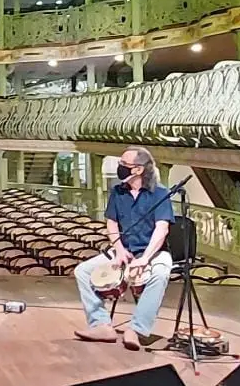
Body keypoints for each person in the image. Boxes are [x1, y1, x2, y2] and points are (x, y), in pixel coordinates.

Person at [73, 146, 175, 350]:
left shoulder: (160, 193)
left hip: (152, 252)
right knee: (82, 271)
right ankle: (101, 324)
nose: (120, 167)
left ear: (138, 169)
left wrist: (145, 258)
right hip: (124, 249)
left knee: (161, 273)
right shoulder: (118, 192)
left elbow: (161, 229)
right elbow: (111, 223)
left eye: (124, 165)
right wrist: (118, 249)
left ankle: (136, 329)